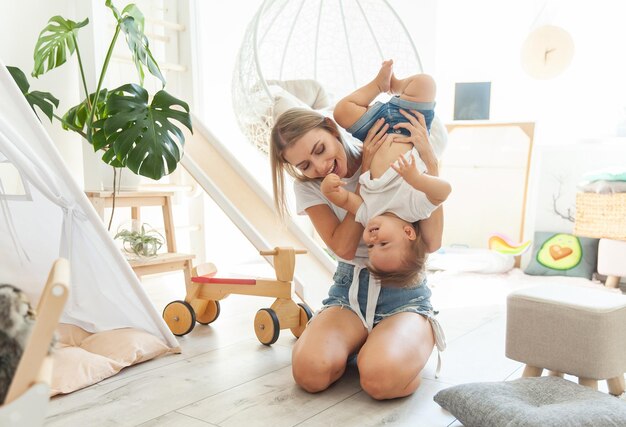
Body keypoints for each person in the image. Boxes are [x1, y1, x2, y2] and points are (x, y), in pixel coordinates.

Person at [269, 68, 446, 400]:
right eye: (304, 164)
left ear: (332, 130)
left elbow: (432, 242)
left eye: (320, 150)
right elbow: (344, 248)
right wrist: (364, 179)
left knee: (380, 381)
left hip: (403, 291)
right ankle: (366, 341)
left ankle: (407, 337)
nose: (319, 167)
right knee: (309, 374)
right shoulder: (309, 188)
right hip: (349, 291)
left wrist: (430, 165)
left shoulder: (384, 149)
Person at [321, 60, 451, 287]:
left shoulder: (369, 214)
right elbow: (443, 191)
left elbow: (348, 200)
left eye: (371, 247)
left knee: (342, 111)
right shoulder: (413, 208)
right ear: (408, 232)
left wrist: (331, 192)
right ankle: (397, 85)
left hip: (375, 131)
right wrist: (417, 179)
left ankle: (380, 85)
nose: (372, 240)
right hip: (409, 126)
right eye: (384, 244)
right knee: (425, 83)